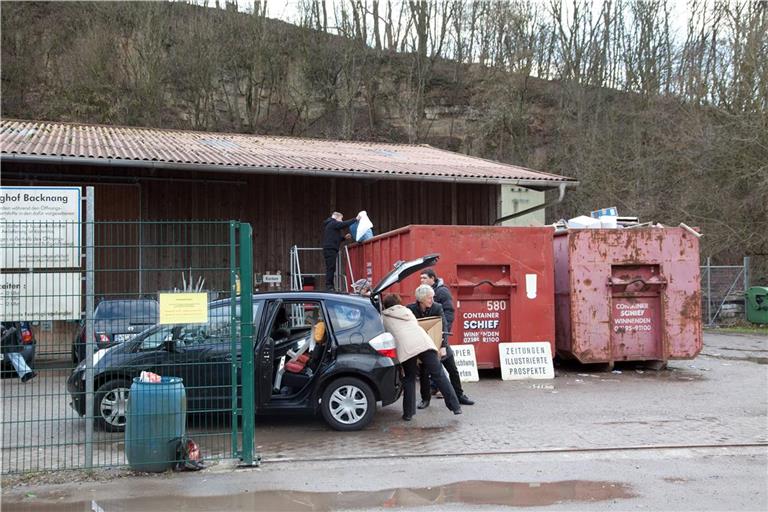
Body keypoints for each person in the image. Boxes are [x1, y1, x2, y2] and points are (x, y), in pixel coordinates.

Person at [381, 294, 461, 421]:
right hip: (424, 343)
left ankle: (408, 414)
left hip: (407, 348)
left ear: (385, 305)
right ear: (399, 303)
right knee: (439, 375)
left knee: (409, 379)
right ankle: (455, 406)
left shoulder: (384, 317)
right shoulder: (407, 311)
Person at [417, 268, 474, 408]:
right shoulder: (421, 294)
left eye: (424, 278)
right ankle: (426, 398)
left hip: (441, 338)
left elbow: (448, 314)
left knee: (451, 368)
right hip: (427, 340)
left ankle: (459, 395)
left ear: (433, 278)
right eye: (421, 278)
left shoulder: (442, 292)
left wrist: (442, 335)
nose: (421, 281)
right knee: (425, 371)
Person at [321, 211, 360, 290]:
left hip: (330, 249)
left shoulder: (330, 225)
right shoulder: (333, 223)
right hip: (330, 249)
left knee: (331, 267)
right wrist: (355, 219)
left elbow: (334, 238)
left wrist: (344, 238)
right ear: (336, 217)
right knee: (331, 268)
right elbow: (343, 224)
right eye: (341, 219)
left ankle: (330, 286)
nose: (341, 221)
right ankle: (329, 286)